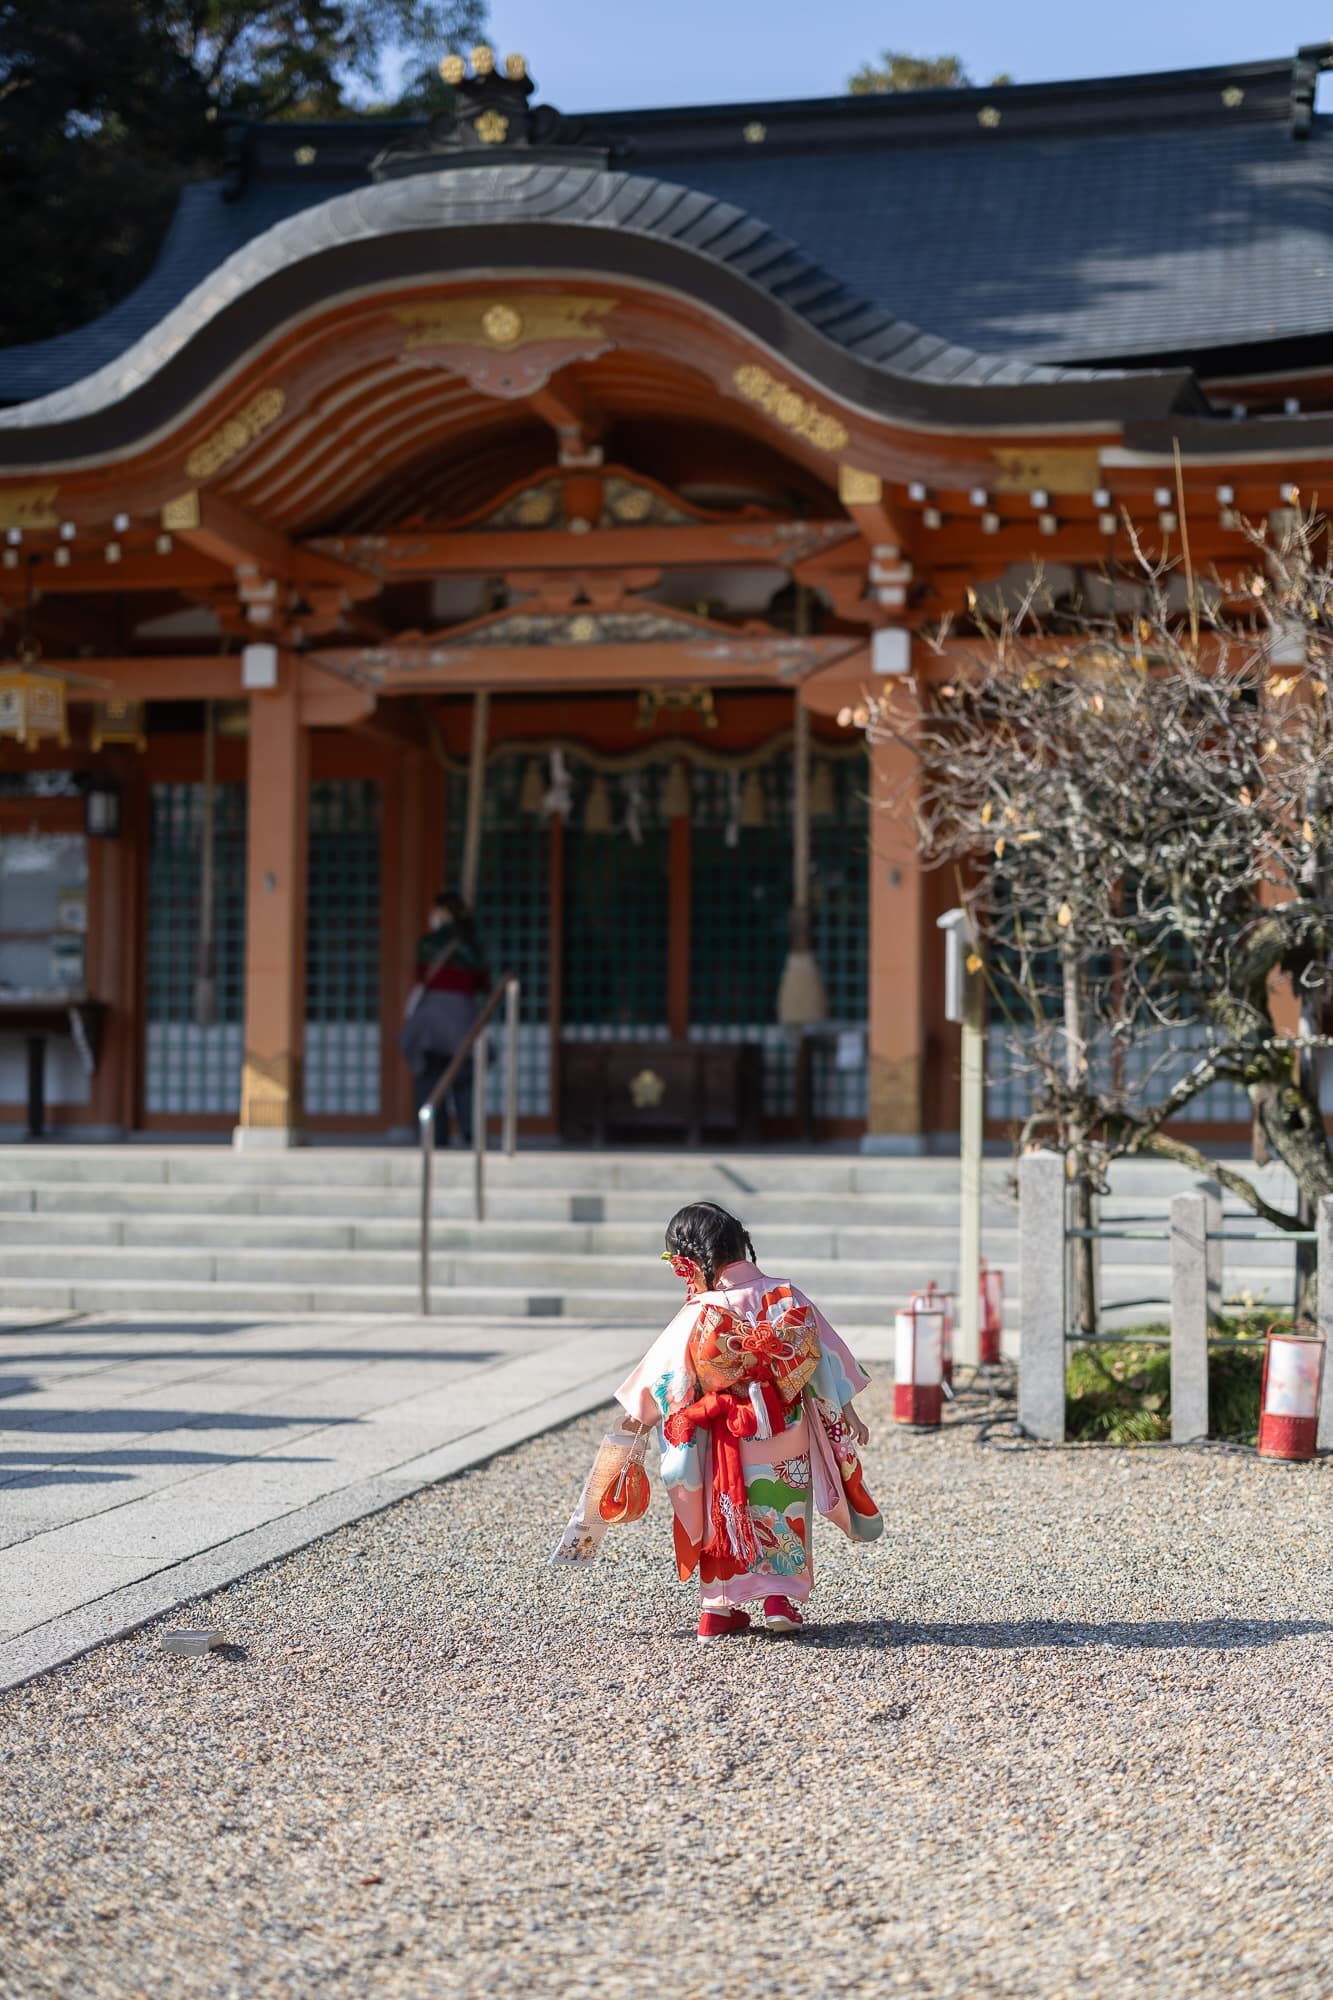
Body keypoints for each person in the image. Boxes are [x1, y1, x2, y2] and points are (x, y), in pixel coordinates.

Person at [614, 1200, 881, 1642]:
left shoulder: (703, 1310)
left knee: (724, 1511)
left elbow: (667, 1373)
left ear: (691, 1262)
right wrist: (847, 1409)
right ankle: (780, 1599)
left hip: (727, 1437)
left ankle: (718, 1611)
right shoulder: (786, 1295)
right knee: (783, 1506)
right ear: (742, 1247)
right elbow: (827, 1360)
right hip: (784, 1430)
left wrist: (639, 1415)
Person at [399, 889, 489, 1144]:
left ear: (444, 913)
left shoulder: (428, 943)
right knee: (464, 1078)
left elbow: (420, 975)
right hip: (464, 1015)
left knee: (430, 1078)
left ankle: (433, 1135)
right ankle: (471, 1132)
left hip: (433, 1017)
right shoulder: (472, 945)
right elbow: (483, 982)